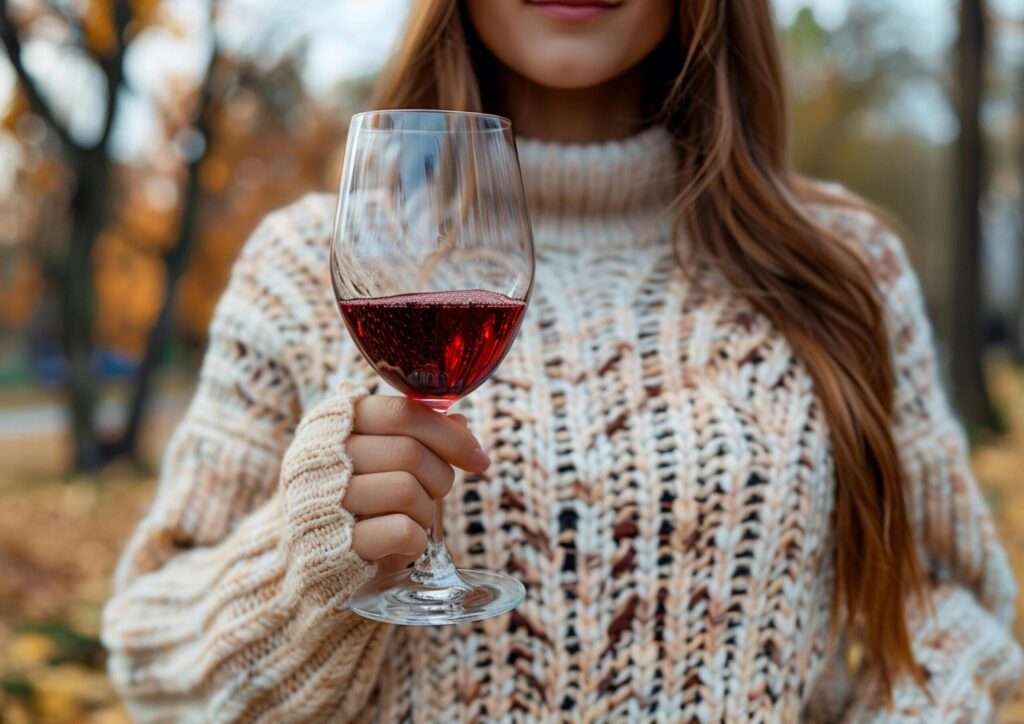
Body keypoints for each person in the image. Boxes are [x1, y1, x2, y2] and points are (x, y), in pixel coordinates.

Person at [102, 1, 1023, 721]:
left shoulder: (841, 264)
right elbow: (153, 666)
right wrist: (306, 566)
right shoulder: (307, 262)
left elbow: (957, 608)